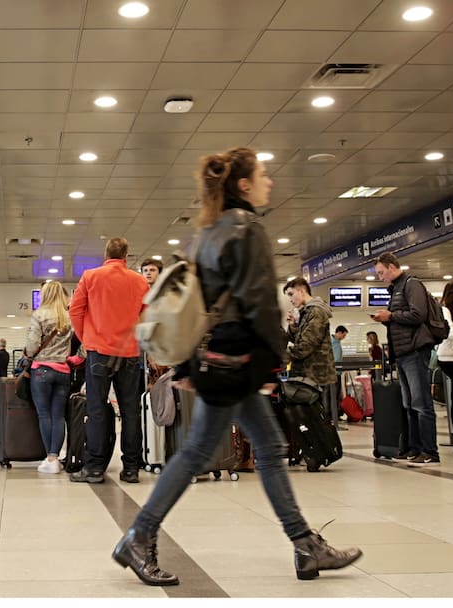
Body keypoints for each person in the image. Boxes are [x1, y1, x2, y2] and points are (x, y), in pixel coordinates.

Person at [112, 146, 361, 586]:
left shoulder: (209, 231)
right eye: (263, 175)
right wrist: (270, 363)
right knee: (197, 454)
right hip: (238, 361)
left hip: (220, 358)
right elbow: (259, 304)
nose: (269, 181)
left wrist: (192, 362)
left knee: (266, 448)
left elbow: (200, 302)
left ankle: (305, 545)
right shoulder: (246, 229)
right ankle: (140, 534)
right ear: (243, 184)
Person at [69, 237, 149, 484]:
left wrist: (87, 339)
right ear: (126, 256)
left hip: (98, 351)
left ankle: (94, 468)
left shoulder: (91, 276)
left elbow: (75, 310)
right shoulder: (139, 281)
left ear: (106, 255)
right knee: (130, 412)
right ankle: (131, 468)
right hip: (129, 353)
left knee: (96, 411)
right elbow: (146, 315)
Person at [371, 253, 439, 467]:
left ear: (392, 267)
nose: (380, 277)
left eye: (381, 272)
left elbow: (418, 314)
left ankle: (430, 450)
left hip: (415, 350)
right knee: (409, 404)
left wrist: (390, 316)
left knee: (421, 403)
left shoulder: (411, 284)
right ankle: (414, 447)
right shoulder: (396, 289)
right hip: (401, 352)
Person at [26, 281, 76, 474]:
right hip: (63, 371)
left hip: (41, 371)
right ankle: (55, 455)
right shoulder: (69, 316)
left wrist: (29, 355)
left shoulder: (39, 315)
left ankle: (50, 458)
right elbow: (84, 343)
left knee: (44, 415)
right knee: (59, 416)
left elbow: (32, 345)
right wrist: (74, 359)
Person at [283, 278, 337, 428]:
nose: (291, 299)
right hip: (308, 374)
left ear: (302, 290)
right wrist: (293, 326)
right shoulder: (307, 312)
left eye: (291, 294)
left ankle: (322, 449)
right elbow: (301, 339)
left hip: (315, 375)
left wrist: (280, 354)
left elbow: (306, 346)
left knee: (315, 420)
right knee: (308, 419)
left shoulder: (317, 312)